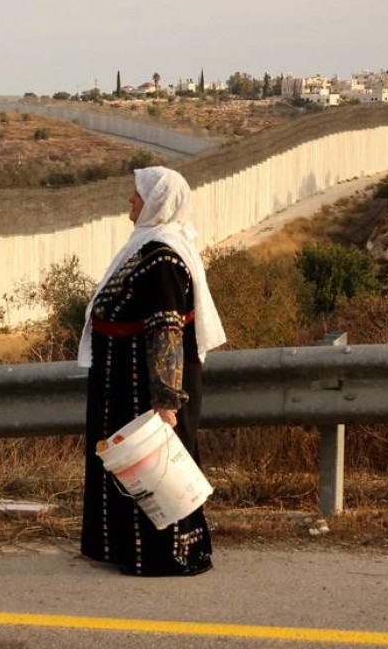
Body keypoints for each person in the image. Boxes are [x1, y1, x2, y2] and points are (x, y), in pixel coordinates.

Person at [76, 166, 226, 577]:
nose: (130, 201)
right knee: (126, 465)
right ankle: (118, 547)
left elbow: (166, 332)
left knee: (154, 468)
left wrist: (165, 402)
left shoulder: (163, 258)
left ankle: (164, 555)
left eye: (136, 195)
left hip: (144, 386)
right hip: (121, 381)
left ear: (156, 203)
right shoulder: (145, 248)